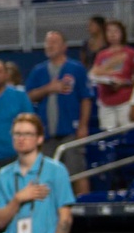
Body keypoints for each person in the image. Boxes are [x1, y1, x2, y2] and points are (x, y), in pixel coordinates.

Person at [25, 30, 91, 183]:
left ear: (64, 47)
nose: (49, 45)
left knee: (77, 174)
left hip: (70, 130)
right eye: (47, 42)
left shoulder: (76, 68)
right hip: (46, 134)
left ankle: (83, 205)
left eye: (54, 42)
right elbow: (28, 96)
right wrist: (48, 89)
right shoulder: (38, 70)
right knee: (47, 178)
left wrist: (83, 125)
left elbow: (86, 98)